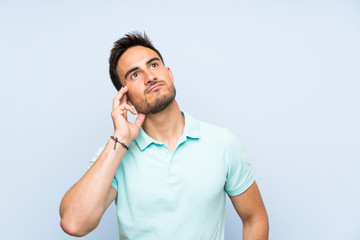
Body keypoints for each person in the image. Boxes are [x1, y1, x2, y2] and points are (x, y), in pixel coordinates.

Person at [59, 31, 269, 239]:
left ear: (169, 73)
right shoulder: (115, 154)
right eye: (135, 74)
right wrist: (121, 139)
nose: (150, 77)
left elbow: (255, 218)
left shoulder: (222, 143)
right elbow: (74, 223)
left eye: (153, 65)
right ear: (126, 98)